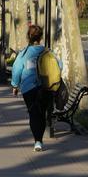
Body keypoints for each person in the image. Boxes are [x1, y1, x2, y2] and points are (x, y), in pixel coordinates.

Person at [11, 24, 61, 152]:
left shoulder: (24, 53)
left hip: (29, 88)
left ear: (29, 36)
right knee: (42, 113)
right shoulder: (48, 52)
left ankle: (37, 141)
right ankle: (39, 140)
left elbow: (17, 70)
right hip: (46, 87)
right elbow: (59, 66)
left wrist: (15, 85)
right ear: (41, 37)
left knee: (33, 113)